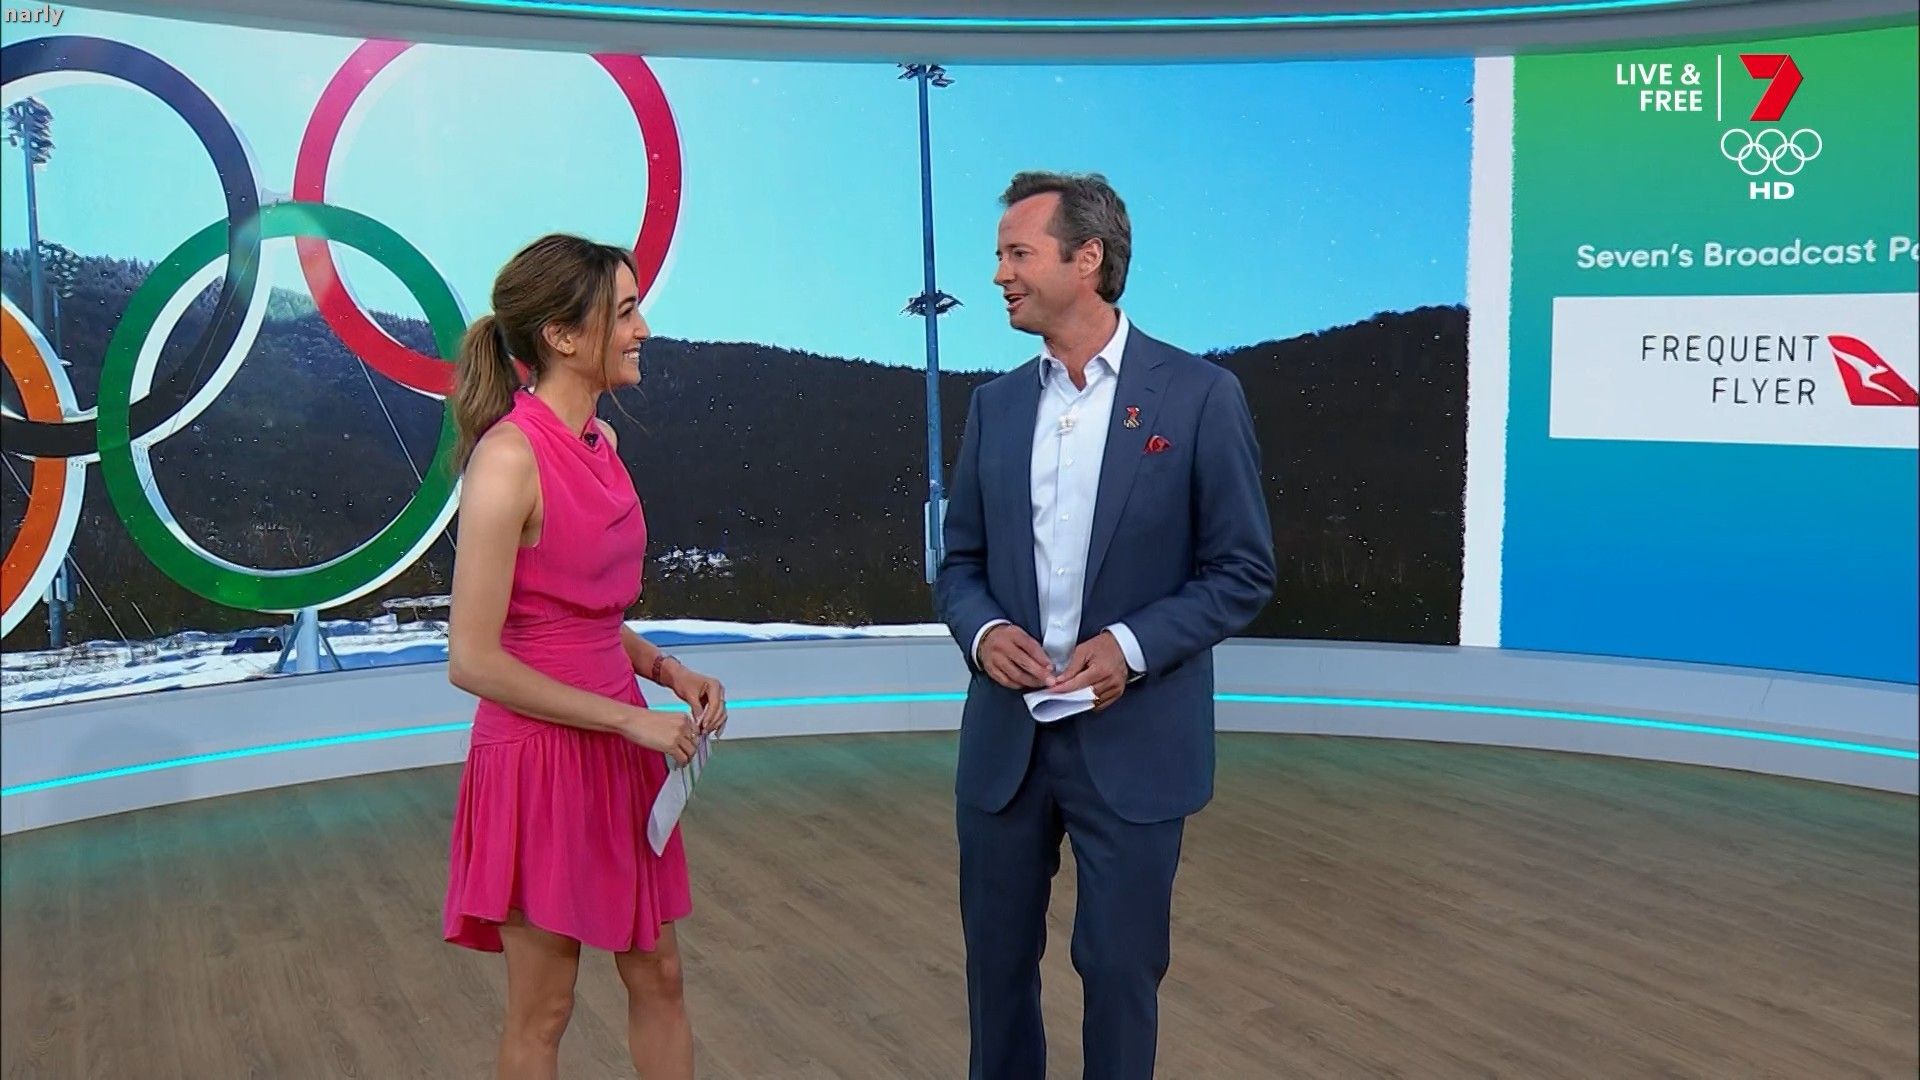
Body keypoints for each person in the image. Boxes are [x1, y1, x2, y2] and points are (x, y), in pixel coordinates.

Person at [934, 172, 1277, 1079]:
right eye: (999, 256)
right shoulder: (996, 406)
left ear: (1087, 259)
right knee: (995, 973)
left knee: (1121, 975)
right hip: (1005, 749)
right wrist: (983, 633)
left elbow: (1242, 571)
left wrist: (1130, 649)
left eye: (1018, 254)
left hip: (1136, 746)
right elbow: (959, 565)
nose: (1000, 275)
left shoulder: (1200, 396)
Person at [441, 233, 728, 1080]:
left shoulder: (604, 443)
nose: (644, 330)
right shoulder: (507, 459)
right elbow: (472, 660)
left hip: (619, 745)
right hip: (539, 762)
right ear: (563, 336)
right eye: (626, 312)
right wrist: (629, 722)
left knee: (661, 976)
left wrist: (669, 673)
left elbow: (586, 618)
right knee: (545, 1010)